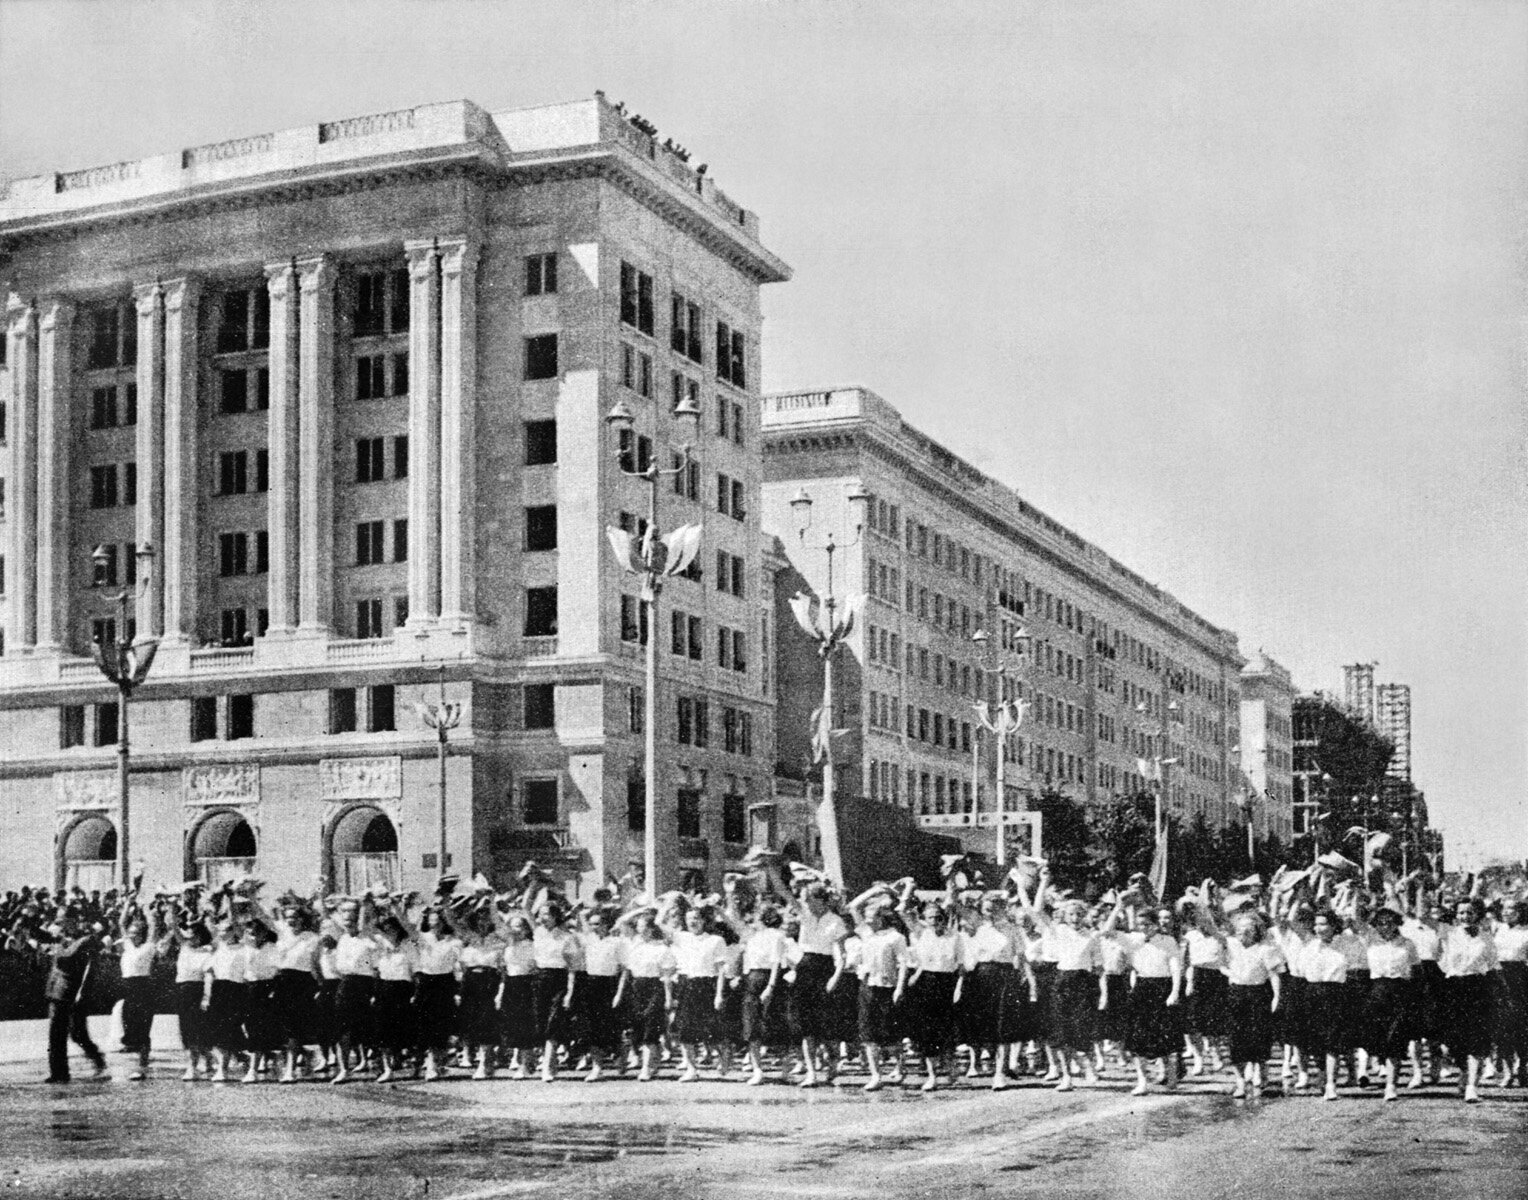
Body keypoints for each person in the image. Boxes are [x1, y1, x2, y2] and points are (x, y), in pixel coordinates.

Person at [1440, 897, 1499, 1103]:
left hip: (1478, 988)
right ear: (1456, 915)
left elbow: (1493, 965)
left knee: (1476, 1037)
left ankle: (1472, 1086)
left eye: (1470, 912)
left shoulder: (1486, 938)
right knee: (1454, 1041)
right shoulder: (1448, 935)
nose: (1465, 916)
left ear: (1478, 915)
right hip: (1454, 988)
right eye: (1461, 912)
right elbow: (1442, 963)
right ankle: (1464, 1073)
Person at [1220, 910, 1284, 1099]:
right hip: (1236, 993)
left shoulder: (1266, 948)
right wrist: (1230, 973)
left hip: (1258, 993)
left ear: (1256, 930)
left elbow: (1273, 974)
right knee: (1236, 1038)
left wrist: (1276, 997)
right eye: (1240, 928)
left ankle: (1262, 1071)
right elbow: (1221, 964)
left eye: (1248, 928)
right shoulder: (1231, 944)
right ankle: (1240, 1082)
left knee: (1259, 1036)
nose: (1243, 932)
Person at [41, 907, 108, 1084]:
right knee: (57, 1034)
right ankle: (59, 1072)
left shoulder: (86, 940)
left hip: (70, 992)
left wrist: (82, 993)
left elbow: (90, 969)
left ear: (72, 920)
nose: (59, 923)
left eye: (62, 920)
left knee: (76, 1033)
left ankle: (95, 1059)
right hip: (56, 990)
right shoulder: (63, 939)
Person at [1360, 905, 1419, 1102]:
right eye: (1380, 923)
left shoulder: (1407, 944)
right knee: (1377, 1038)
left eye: (1389, 923)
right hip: (1376, 991)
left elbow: (1415, 971)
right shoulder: (1370, 942)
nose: (1385, 927)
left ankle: (1391, 1085)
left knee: (1396, 1039)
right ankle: (1378, 1065)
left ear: (1396, 924)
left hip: (1400, 992)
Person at [1123, 907, 1183, 1096]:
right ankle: (1142, 1081)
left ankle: (1171, 1076)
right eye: (1141, 925)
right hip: (1142, 987)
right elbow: (1108, 933)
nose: (1144, 928)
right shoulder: (1133, 940)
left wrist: (1174, 992)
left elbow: (1175, 968)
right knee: (1138, 1036)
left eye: (1148, 924)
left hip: (1162, 987)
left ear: (1156, 925)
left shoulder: (1168, 941)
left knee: (1166, 1033)